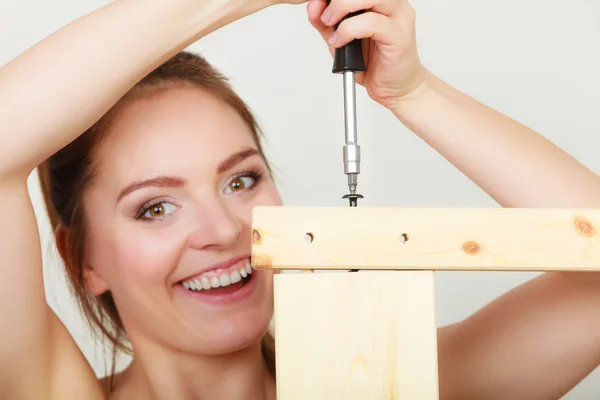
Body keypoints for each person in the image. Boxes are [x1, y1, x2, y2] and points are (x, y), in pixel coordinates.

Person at [1, 0, 599, 398]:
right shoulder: (51, 388)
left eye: (241, 181)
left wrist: (414, 92)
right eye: (155, 207)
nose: (224, 229)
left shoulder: (394, 381)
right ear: (84, 260)